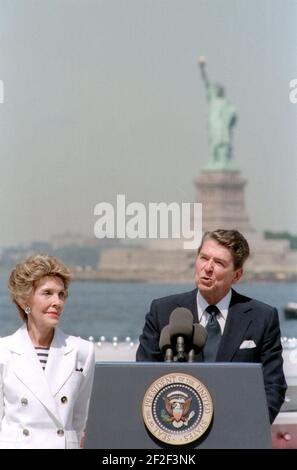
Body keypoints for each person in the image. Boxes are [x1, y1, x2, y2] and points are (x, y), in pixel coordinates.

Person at [136, 229, 287, 423]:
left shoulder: (262, 318)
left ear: (237, 275)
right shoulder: (163, 311)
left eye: (219, 263)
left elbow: (273, 385)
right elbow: (143, 377)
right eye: (203, 258)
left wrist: (251, 428)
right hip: (175, 432)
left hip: (236, 433)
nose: (207, 267)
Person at [0, 254, 95, 449]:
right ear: (25, 300)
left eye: (61, 294)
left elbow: (80, 418)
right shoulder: (4, 351)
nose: (57, 302)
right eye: (47, 293)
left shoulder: (82, 351)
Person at [198, 56, 237, 167]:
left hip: (222, 125)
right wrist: (202, 69)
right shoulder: (213, 99)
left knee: (225, 142)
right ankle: (214, 158)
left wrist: (232, 116)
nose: (217, 90)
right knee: (214, 142)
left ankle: (224, 160)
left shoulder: (225, 102)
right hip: (214, 124)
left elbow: (232, 115)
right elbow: (206, 82)